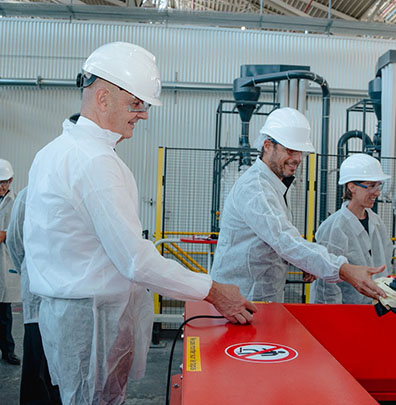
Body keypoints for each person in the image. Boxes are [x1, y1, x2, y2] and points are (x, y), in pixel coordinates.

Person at [23, 42, 257, 404]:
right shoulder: (93, 162)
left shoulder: (54, 152)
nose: (143, 115)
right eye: (136, 104)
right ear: (102, 99)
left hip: (74, 317)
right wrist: (213, 290)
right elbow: (136, 260)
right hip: (93, 321)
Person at [211, 107, 386, 303]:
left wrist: (307, 262)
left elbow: (274, 241)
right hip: (240, 297)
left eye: (300, 151)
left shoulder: (275, 186)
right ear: (268, 145)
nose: (298, 158)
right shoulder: (256, 189)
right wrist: (343, 269)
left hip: (259, 296)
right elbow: (283, 239)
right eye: (290, 149)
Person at [311, 154, 393, 304]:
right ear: (352, 186)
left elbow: (386, 262)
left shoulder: (377, 222)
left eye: (378, 185)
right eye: (371, 186)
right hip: (346, 312)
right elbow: (327, 286)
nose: (377, 192)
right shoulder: (334, 228)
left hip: (378, 307)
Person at [7, 188, 62, 404]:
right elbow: (14, 240)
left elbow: (13, 241)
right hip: (46, 299)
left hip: (41, 295)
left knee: (39, 367)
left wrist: (28, 271)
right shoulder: (29, 194)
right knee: (44, 366)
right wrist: (28, 271)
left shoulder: (28, 193)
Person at [0, 158, 21, 366]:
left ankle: (8, 352)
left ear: (11, 180)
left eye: (4, 182)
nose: (1, 187)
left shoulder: (14, 202)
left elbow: (4, 234)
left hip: (4, 261)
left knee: (4, 314)